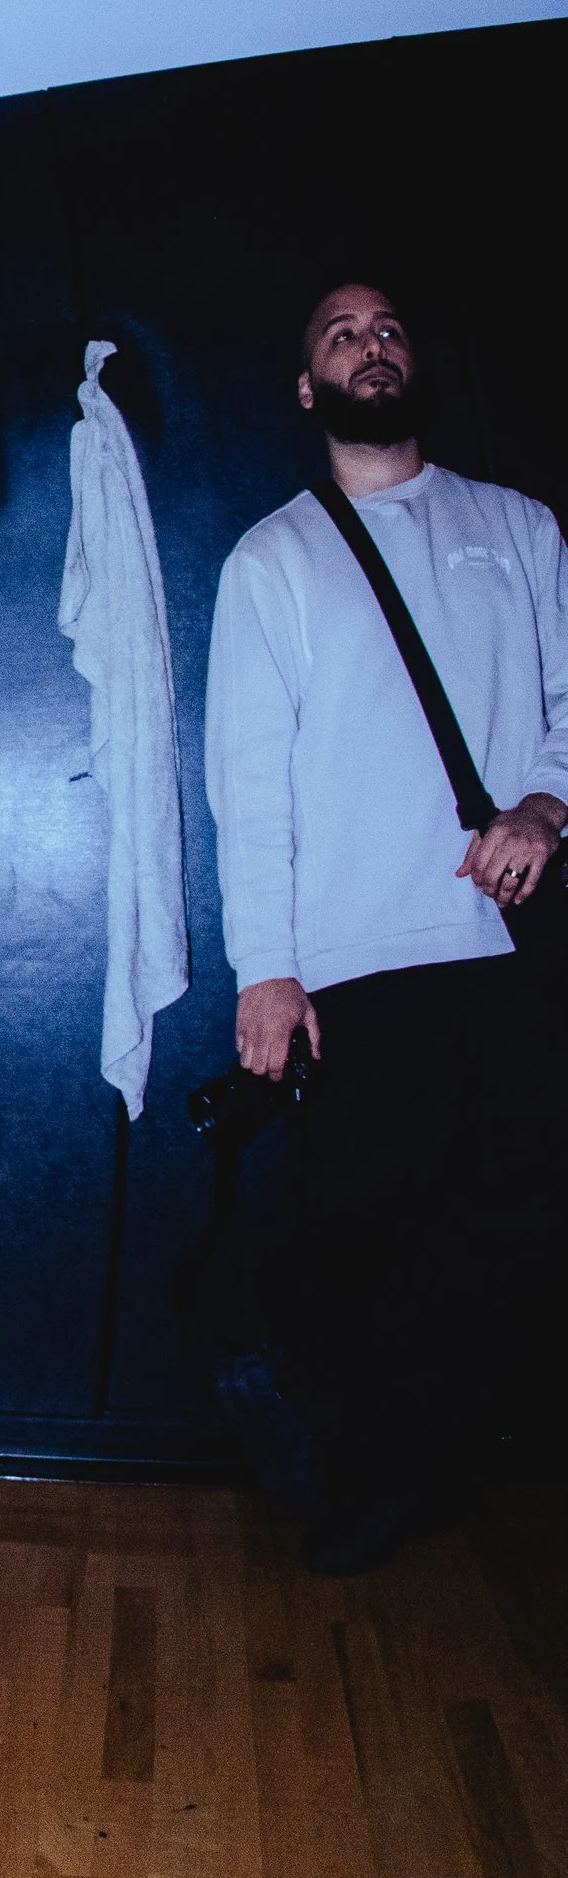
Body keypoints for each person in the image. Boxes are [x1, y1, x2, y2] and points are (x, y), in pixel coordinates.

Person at [204, 278, 567, 1573]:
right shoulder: (274, 557)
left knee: (512, 1224)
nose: (373, 343)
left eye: (392, 326)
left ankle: (424, 1464)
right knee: (366, 1229)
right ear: (309, 388)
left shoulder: (519, 529)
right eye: (341, 334)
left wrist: (542, 797)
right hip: (359, 954)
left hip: (512, 946)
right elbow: (249, 776)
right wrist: (270, 969)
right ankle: (355, 1470)